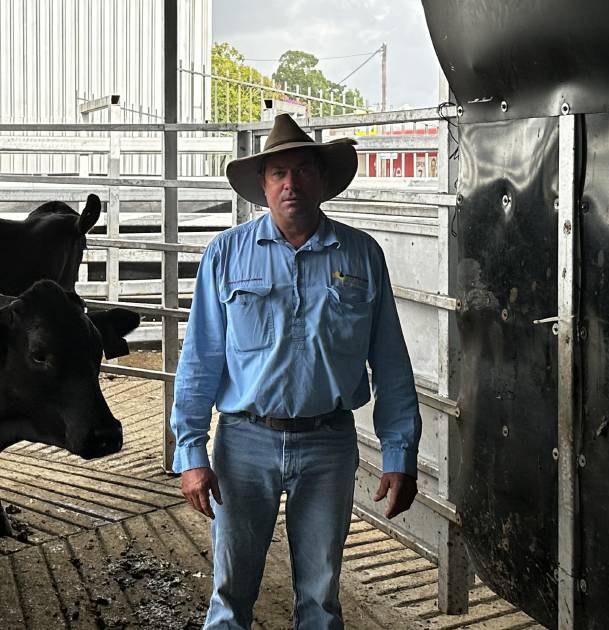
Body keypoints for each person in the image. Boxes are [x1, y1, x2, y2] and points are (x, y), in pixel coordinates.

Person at [171, 113, 422, 629]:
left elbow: (392, 363)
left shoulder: (362, 254)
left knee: (321, 594)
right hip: (244, 442)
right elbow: (199, 360)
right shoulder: (225, 254)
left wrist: (400, 453)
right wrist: (190, 451)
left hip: (328, 442)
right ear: (262, 186)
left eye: (303, 170)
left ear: (323, 180)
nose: (291, 184)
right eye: (278, 173)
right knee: (230, 591)